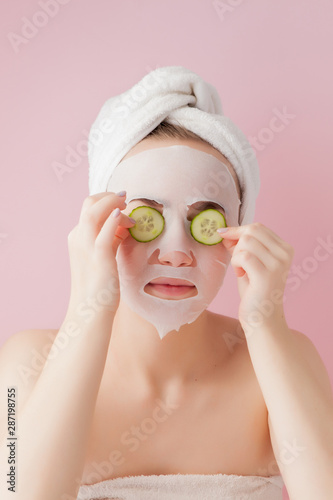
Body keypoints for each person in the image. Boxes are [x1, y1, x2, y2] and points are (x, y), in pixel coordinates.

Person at [1, 68, 332, 500]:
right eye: (145, 220)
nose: (176, 252)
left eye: (204, 223)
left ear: (238, 234)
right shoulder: (25, 364)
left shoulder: (284, 357)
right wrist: (89, 303)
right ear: (102, 227)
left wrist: (265, 324)